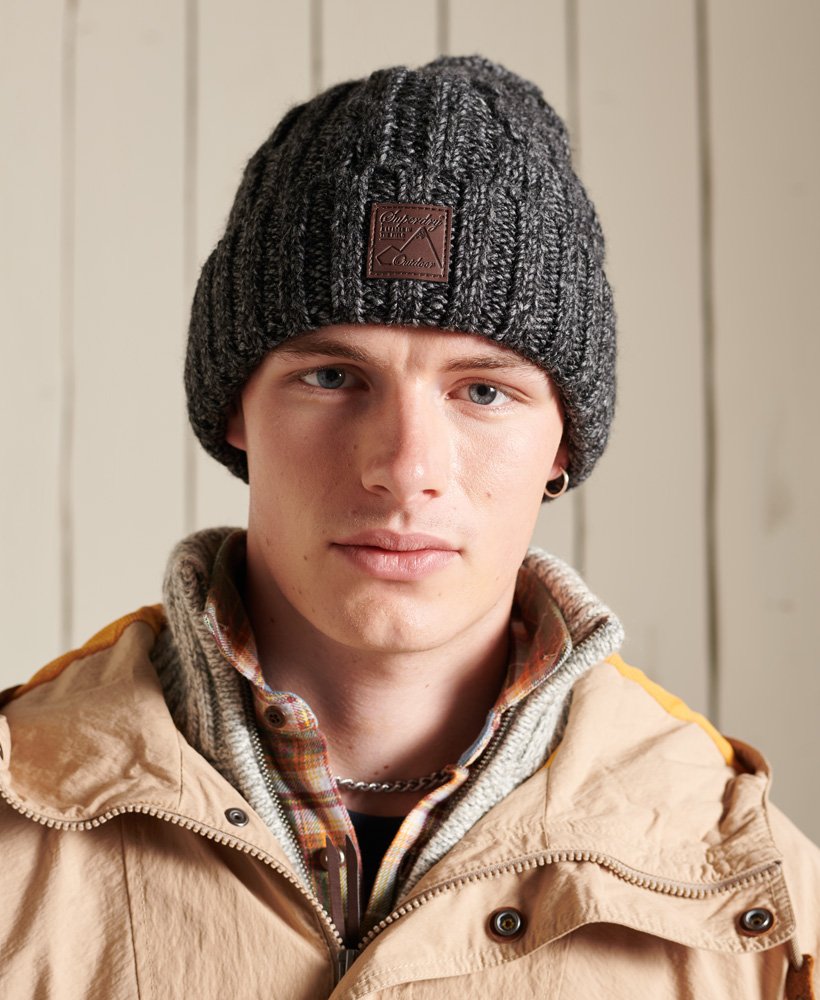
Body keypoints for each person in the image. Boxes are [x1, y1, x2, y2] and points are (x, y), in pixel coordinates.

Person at [1, 55, 817, 999]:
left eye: (483, 391)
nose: (404, 466)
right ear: (235, 412)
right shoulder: (19, 820)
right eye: (332, 377)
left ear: (562, 444)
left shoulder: (755, 892)